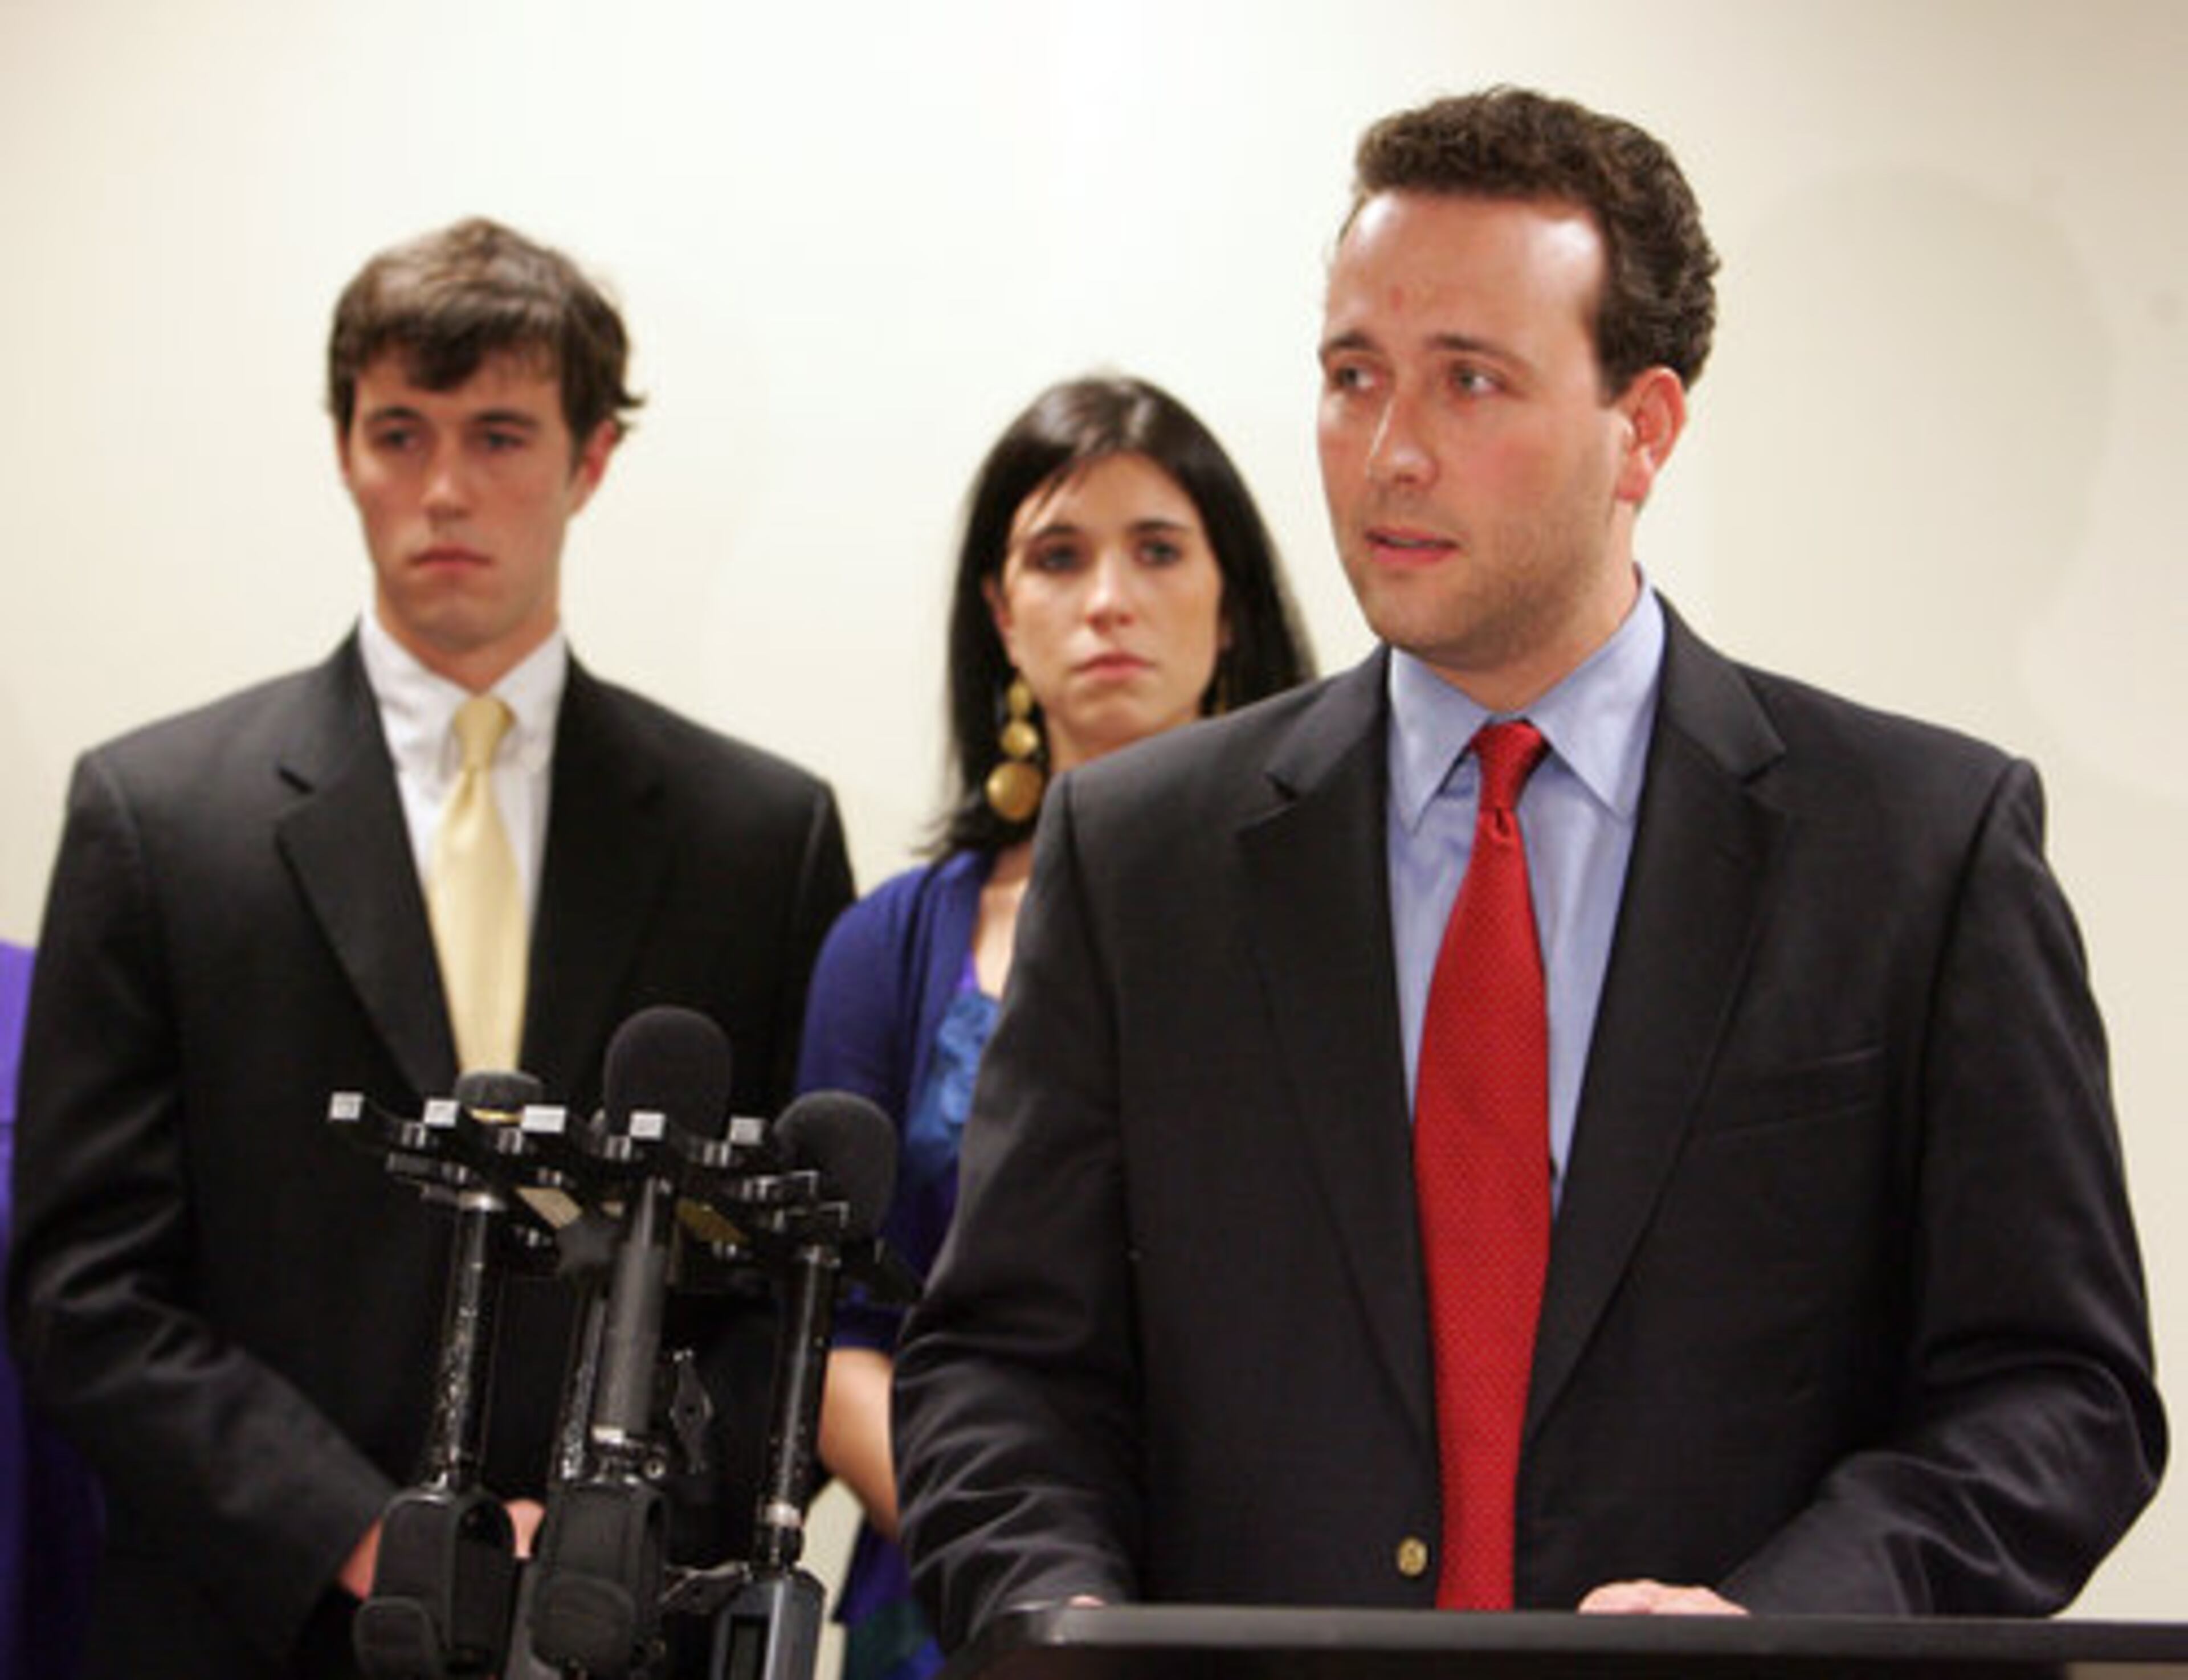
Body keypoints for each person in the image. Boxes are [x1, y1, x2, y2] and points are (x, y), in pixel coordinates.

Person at [892, 88, 2165, 1647]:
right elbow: (1004, 1364)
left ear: (1647, 427)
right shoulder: (1142, 853)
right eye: (1352, 376)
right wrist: (1063, 1620)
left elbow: (2059, 1387)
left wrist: (1786, 1618)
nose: (1390, 450)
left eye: (1470, 382)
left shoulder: (1921, 846)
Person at [6, 218, 854, 1679]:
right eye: (400, 431)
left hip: (618, 1639)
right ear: (344, 448)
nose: (445, 488)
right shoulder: (156, 816)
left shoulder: (757, 836)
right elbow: (82, 1281)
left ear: (591, 460)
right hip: (239, 1621)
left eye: (502, 434)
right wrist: (354, 1528)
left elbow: (795, 1279)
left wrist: (621, 1530)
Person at [797, 374, 1314, 1680]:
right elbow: (835, 1339)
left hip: (1290, 1597)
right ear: (999, 610)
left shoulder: (1351, 917)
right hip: (961, 1612)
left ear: (1230, 597)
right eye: (1058, 555)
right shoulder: (888, 945)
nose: (1107, 600)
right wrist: (1038, 1572)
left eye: (1157, 550)